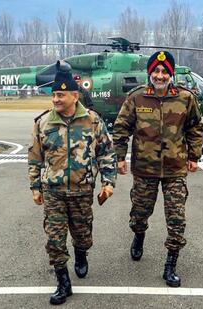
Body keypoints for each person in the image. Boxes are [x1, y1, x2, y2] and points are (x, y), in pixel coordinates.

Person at [28, 61, 117, 305]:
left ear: (74, 96)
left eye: (61, 95)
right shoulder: (43, 123)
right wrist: (35, 187)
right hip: (53, 191)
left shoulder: (92, 121)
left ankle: (81, 254)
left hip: (82, 191)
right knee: (54, 240)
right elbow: (35, 157)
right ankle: (63, 282)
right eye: (54, 95)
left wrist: (108, 183)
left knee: (82, 235)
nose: (55, 99)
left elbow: (107, 153)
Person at [113, 51, 203, 287]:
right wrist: (120, 157)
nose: (160, 75)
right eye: (156, 71)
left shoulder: (185, 98)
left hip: (175, 169)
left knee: (177, 220)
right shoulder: (137, 97)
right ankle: (139, 236)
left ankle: (170, 265)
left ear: (171, 74)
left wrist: (194, 156)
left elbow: (195, 127)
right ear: (150, 73)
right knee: (139, 215)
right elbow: (121, 128)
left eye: (164, 71)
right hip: (145, 169)